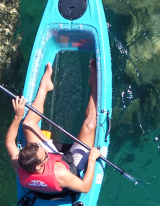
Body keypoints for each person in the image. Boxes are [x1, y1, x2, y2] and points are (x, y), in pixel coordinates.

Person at [7, 61, 102, 196]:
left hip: (52, 164)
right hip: (70, 166)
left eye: (40, 148)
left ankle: (45, 86)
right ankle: (94, 84)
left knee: (27, 123)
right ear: (38, 166)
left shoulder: (19, 165)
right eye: (44, 154)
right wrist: (92, 159)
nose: (45, 150)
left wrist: (18, 116)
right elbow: (85, 187)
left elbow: (9, 142)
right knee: (90, 125)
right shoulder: (60, 173)